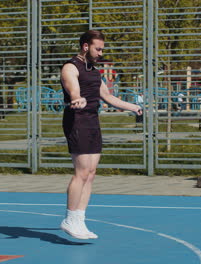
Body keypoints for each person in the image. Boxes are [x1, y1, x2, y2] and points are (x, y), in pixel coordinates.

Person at [60, 30, 142, 240]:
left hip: (93, 121)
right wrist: (76, 98)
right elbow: (73, 89)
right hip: (76, 121)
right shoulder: (71, 67)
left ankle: (79, 219)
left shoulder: (94, 71)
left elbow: (107, 97)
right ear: (85, 46)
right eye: (98, 48)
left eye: (102, 49)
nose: (100, 52)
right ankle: (69, 218)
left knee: (92, 172)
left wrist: (133, 107)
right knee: (81, 172)